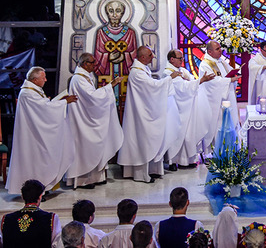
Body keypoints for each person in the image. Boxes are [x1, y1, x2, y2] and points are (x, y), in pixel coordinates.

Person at [5, 66, 78, 194]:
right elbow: (44, 109)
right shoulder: (28, 93)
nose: (46, 80)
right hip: (32, 135)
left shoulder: (33, 90)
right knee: (36, 161)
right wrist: (64, 102)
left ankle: (43, 187)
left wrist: (57, 102)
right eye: (43, 78)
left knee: (41, 159)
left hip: (35, 132)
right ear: (35, 80)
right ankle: (35, 192)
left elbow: (43, 106)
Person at [117, 46, 181, 183]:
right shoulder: (137, 73)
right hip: (140, 113)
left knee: (149, 139)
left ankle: (153, 170)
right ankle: (140, 174)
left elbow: (152, 87)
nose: (153, 58)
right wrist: (169, 78)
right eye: (150, 55)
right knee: (142, 140)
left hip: (144, 109)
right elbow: (152, 87)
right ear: (142, 57)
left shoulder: (143, 69)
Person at [67, 52, 124, 189]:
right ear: (85, 64)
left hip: (86, 116)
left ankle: (96, 177)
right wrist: (111, 85)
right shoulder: (79, 79)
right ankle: (83, 180)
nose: (95, 65)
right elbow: (93, 97)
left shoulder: (85, 76)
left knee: (94, 146)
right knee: (86, 148)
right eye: (92, 62)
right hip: (82, 120)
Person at [164, 49, 215, 169]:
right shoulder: (168, 73)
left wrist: (195, 81)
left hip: (187, 106)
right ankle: (173, 161)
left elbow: (191, 79)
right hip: (177, 108)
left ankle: (188, 160)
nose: (182, 60)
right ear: (172, 59)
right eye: (180, 58)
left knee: (189, 133)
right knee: (178, 133)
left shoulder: (181, 70)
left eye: (182, 58)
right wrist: (201, 81)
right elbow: (182, 87)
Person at [198, 41, 241, 150]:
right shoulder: (205, 65)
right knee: (219, 124)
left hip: (228, 96)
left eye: (220, 48)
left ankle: (232, 147)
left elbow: (229, 73)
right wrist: (229, 80)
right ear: (210, 52)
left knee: (231, 121)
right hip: (216, 101)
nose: (220, 50)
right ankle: (218, 150)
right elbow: (212, 83)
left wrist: (233, 74)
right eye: (217, 49)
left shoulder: (221, 61)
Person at [0, 179, 62, 247]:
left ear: (22, 197)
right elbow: (58, 245)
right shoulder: (51, 219)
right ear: (40, 197)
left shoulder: (6, 219)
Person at [94, 0, 137, 84]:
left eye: (118, 11)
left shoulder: (130, 32)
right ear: (106, 13)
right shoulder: (101, 32)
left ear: (123, 13)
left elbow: (134, 54)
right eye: (111, 11)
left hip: (125, 75)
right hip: (106, 74)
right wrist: (107, 57)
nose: (114, 15)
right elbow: (98, 55)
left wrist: (125, 57)